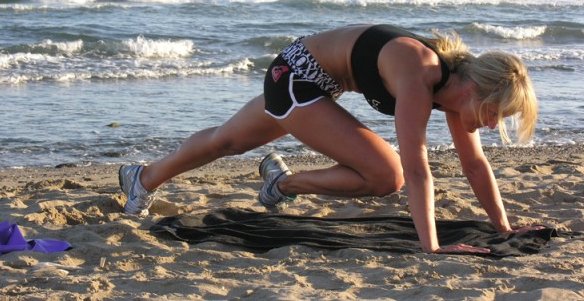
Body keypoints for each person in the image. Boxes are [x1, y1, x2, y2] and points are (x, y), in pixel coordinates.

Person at [119, 24, 539, 254]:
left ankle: (142, 178)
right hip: (297, 76)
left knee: (227, 142)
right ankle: (280, 184)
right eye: (494, 114)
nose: (490, 126)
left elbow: (474, 164)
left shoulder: (453, 97)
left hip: (313, 79)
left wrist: (503, 226)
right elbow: (416, 168)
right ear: (473, 91)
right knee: (387, 175)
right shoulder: (421, 75)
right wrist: (432, 246)